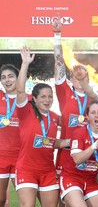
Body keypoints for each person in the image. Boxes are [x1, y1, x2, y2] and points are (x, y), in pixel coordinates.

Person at [15, 47, 70, 207]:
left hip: (48, 171)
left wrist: (72, 141)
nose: (47, 100)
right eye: (43, 97)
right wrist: (25, 63)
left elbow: (52, 142)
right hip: (27, 169)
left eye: (50, 97)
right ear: (35, 98)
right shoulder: (26, 111)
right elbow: (20, 90)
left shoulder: (54, 117)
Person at [52, 16, 98, 181]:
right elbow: (58, 64)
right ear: (70, 79)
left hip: (89, 153)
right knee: (63, 200)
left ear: (88, 79)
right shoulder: (64, 92)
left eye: (83, 74)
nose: (79, 77)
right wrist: (57, 35)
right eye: (76, 75)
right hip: (66, 153)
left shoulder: (93, 98)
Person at [0, 64, 20, 207]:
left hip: (21, 158)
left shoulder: (28, 100)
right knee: (1, 200)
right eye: (3, 77)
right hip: (1, 156)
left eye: (11, 76)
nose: (7, 80)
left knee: (25, 201)